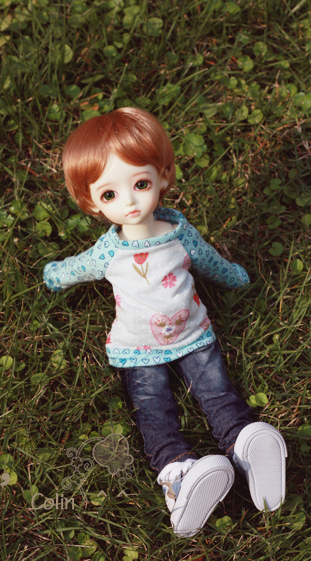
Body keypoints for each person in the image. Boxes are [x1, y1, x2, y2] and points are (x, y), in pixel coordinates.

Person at [43, 107, 287, 537]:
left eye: (140, 184)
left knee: (218, 392)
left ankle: (247, 444)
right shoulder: (107, 252)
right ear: (91, 202)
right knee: (153, 410)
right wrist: (55, 275)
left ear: (162, 177)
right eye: (109, 194)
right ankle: (179, 475)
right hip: (136, 348)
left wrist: (232, 276)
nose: (130, 202)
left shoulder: (179, 233)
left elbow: (208, 260)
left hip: (193, 333)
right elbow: (78, 267)